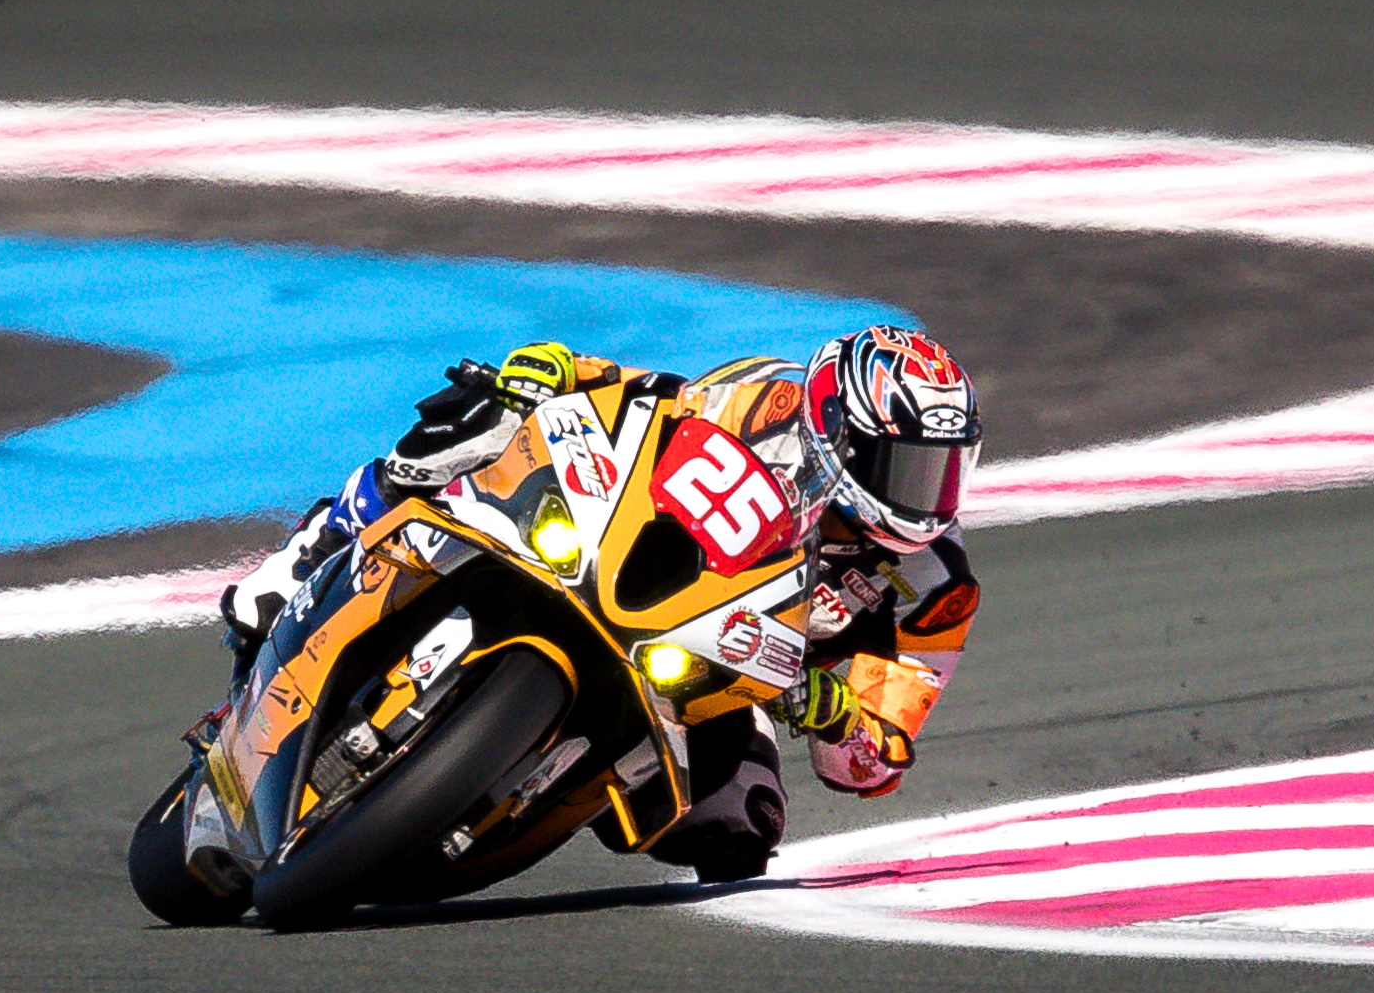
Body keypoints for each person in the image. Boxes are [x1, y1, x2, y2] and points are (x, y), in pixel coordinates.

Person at [218, 328, 982, 880]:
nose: (927, 495)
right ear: (839, 433)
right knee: (479, 419)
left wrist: (837, 713)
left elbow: (872, 760)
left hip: (732, 680)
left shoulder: (935, 587)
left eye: (944, 470)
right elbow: (659, 402)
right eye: (907, 466)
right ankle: (306, 558)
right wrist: (564, 370)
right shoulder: (769, 404)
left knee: (743, 826)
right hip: (635, 561)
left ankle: (527, 794)